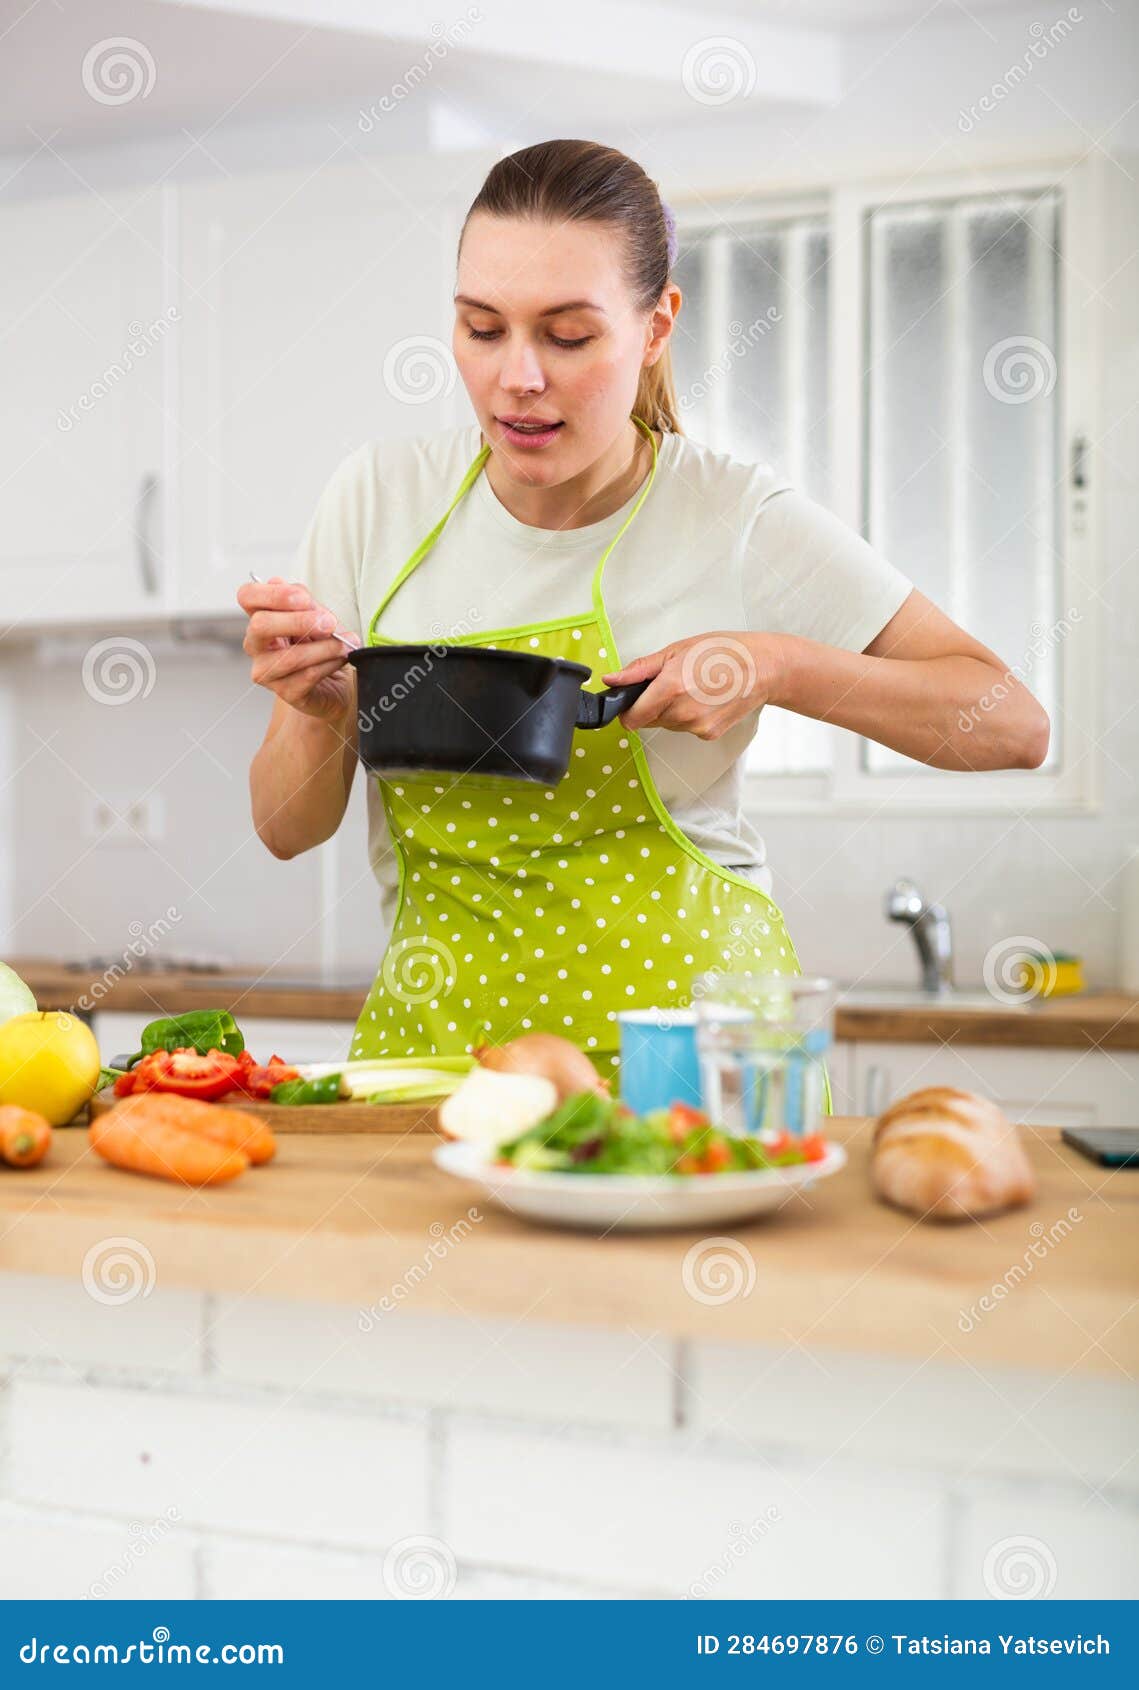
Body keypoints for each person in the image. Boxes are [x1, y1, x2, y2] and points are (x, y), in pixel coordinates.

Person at [238, 138, 1049, 1070]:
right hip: (437, 1059)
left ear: (656, 327)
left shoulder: (731, 513)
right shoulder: (376, 499)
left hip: (689, 1064)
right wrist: (318, 713)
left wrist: (773, 665)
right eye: (482, 327)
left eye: (568, 335)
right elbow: (283, 830)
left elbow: (1011, 725)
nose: (518, 377)